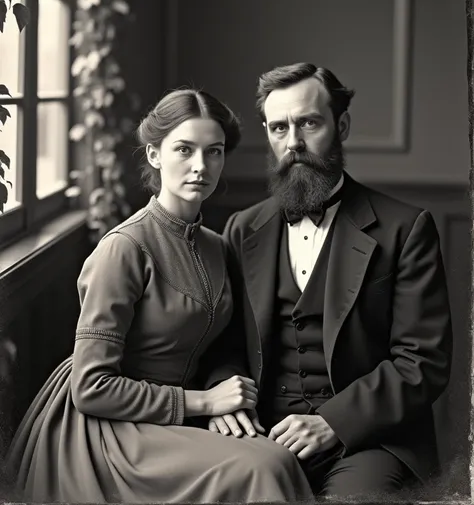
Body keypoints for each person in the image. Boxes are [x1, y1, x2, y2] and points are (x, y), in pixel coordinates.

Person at [6, 88, 315, 504]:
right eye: (184, 150)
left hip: (179, 416)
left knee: (278, 456)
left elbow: (221, 345)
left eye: (214, 152)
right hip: (109, 430)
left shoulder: (217, 246)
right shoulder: (123, 249)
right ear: (154, 154)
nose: (200, 167)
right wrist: (204, 402)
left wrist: (222, 395)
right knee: (264, 466)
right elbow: (92, 387)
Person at [210, 63, 453, 498]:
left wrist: (332, 423)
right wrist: (224, 400)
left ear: (340, 125)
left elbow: (423, 363)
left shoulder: (405, 228)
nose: (294, 143)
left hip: (371, 441)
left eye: (308, 123)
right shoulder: (241, 230)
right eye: (279, 128)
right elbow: (221, 345)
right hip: (265, 437)